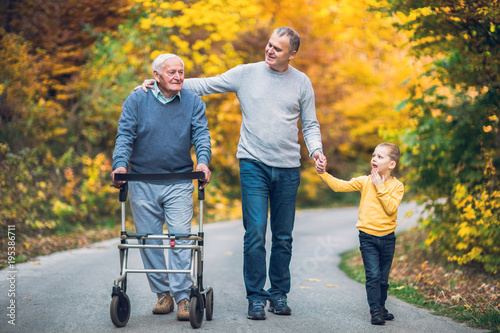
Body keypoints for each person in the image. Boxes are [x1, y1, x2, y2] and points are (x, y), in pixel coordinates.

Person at [138, 26, 326, 320]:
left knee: (283, 236)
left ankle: (278, 294)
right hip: (253, 164)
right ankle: (255, 297)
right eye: (268, 44)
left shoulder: (302, 82)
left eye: (277, 48)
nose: (269, 50)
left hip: (289, 168)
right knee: (254, 234)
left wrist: (316, 150)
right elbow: (204, 85)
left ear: (292, 54)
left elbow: (310, 124)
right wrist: (162, 81)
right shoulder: (246, 73)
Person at [111, 54, 212, 321]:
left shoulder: (193, 102)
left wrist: (202, 162)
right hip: (142, 180)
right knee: (149, 240)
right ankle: (162, 294)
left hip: (179, 180)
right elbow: (125, 135)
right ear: (156, 76)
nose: (179, 76)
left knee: (180, 237)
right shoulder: (137, 99)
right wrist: (120, 165)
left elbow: (201, 134)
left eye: (181, 71)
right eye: (172, 72)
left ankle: (182, 298)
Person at [315, 143, 404, 325]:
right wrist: (323, 173)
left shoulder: (397, 187)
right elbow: (340, 186)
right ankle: (375, 311)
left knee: (383, 277)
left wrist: (380, 187)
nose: (374, 159)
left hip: (387, 238)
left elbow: (390, 208)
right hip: (367, 237)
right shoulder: (365, 181)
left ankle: (381, 306)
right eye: (373, 155)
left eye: (380, 157)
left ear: (392, 164)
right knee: (373, 275)